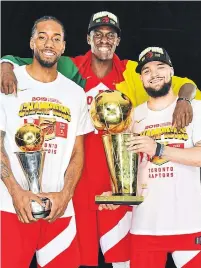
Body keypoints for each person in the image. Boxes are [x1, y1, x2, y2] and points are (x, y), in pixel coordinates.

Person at [1, 11, 201, 267]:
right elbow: (24, 60)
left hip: (119, 187)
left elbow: (186, 83)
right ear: (88, 38)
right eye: (98, 34)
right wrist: (5, 65)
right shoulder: (69, 66)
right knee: (79, 260)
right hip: (76, 184)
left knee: (124, 259)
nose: (104, 39)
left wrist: (184, 99)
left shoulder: (134, 72)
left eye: (111, 35)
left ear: (118, 40)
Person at [0, 16, 93, 268]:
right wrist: (16, 193)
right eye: (42, 36)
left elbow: (77, 152)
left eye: (56, 38)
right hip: (11, 208)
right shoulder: (8, 84)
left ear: (63, 47)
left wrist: (66, 194)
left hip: (59, 210)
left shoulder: (75, 93)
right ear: (32, 42)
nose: (48, 43)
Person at [123, 47, 201, 268]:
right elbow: (128, 167)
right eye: (146, 70)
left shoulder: (195, 108)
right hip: (144, 225)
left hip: (189, 224)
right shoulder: (133, 116)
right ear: (141, 78)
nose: (154, 74)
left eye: (160, 67)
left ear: (171, 72)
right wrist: (118, 192)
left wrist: (158, 149)